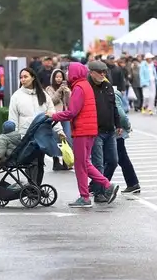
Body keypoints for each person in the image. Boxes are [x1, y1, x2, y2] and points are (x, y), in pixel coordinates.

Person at [47, 62, 119, 208]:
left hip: (82, 131)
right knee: (85, 163)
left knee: (81, 165)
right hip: (91, 130)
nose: (67, 73)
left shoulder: (79, 87)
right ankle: (105, 185)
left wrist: (53, 116)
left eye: (68, 71)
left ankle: (86, 196)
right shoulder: (86, 85)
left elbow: (72, 112)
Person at [8, 67, 65, 185]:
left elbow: (52, 113)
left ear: (33, 77)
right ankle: (31, 189)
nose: (23, 79)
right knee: (31, 163)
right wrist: (14, 137)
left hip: (42, 135)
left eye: (26, 77)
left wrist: (59, 130)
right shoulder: (16, 96)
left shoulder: (43, 95)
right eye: (21, 77)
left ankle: (36, 187)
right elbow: (12, 119)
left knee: (40, 162)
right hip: (26, 136)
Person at [86, 61, 122, 202]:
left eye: (104, 72)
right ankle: (100, 192)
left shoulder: (107, 86)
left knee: (113, 161)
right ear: (91, 72)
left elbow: (113, 107)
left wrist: (118, 123)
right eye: (100, 72)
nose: (103, 74)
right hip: (96, 131)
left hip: (110, 130)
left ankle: (97, 185)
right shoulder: (87, 87)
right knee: (98, 164)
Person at [46, 68, 71, 171]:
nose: (59, 79)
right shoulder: (49, 89)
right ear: (53, 78)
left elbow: (69, 102)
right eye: (57, 77)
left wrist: (67, 92)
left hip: (66, 115)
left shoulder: (66, 88)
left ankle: (66, 161)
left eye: (61, 77)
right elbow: (52, 101)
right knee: (56, 139)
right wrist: (59, 90)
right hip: (55, 116)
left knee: (67, 137)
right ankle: (56, 162)